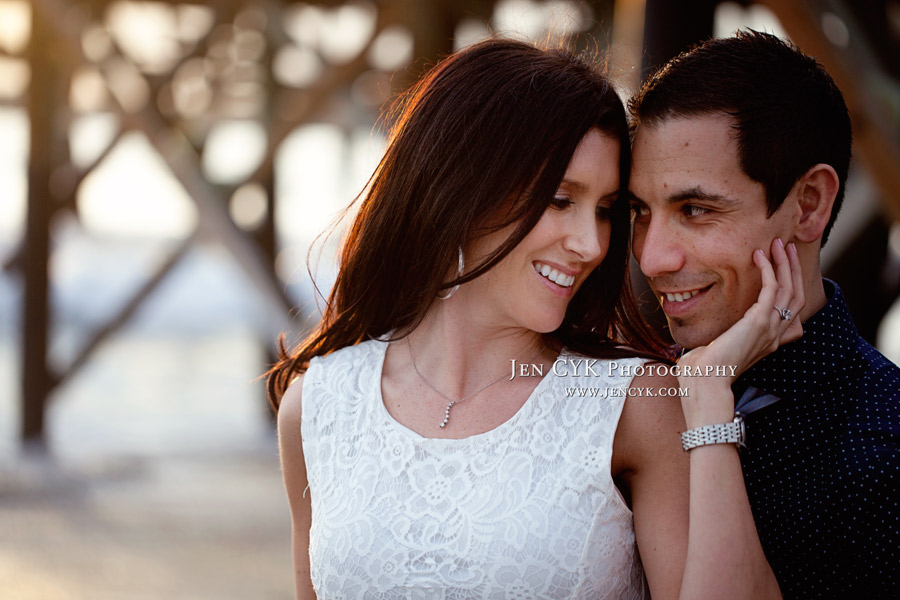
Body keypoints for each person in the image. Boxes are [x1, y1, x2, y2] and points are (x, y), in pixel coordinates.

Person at [269, 38, 785, 599]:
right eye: (561, 200)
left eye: (606, 211)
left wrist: (707, 396)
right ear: (462, 189)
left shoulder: (636, 405)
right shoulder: (317, 406)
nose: (590, 244)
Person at [628, 29, 900, 598]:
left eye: (695, 209)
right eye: (639, 211)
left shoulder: (883, 453)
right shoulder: (621, 391)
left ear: (808, 205)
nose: (653, 257)